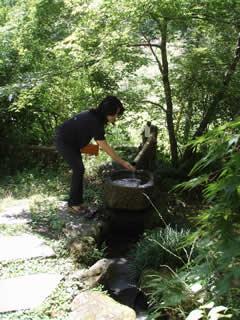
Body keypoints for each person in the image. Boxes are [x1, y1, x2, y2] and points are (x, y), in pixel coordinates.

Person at [55, 96, 135, 214]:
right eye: (115, 114)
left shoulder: (95, 117)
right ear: (108, 111)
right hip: (64, 141)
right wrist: (123, 162)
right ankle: (73, 204)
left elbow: (85, 133)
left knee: (80, 169)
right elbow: (104, 145)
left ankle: (78, 202)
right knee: (79, 169)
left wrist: (91, 149)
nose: (116, 117)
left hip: (73, 143)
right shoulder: (95, 121)